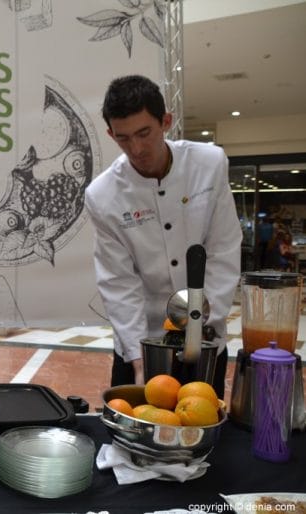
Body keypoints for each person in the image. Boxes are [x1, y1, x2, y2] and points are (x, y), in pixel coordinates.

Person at [84, 75, 242, 398]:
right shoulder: (103, 195)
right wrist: (140, 363)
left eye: (145, 133)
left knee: (200, 431)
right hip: (142, 340)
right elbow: (118, 283)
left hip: (206, 335)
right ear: (110, 134)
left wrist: (201, 328)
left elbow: (223, 250)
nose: (137, 149)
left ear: (166, 121)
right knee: (136, 435)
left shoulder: (208, 165)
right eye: (123, 138)